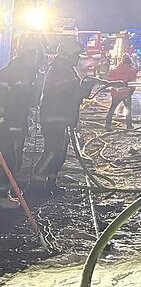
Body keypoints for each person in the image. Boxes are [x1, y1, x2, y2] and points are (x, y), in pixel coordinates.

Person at [29, 40, 125, 195]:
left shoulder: (66, 69)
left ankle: (51, 183)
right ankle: (35, 186)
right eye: (75, 55)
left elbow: (74, 92)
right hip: (54, 119)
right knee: (52, 152)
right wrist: (83, 88)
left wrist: (97, 85)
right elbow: (66, 94)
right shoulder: (59, 70)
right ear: (67, 54)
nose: (77, 59)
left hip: (63, 119)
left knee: (60, 154)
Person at [0, 42, 41, 209]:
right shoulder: (9, 74)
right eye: (32, 55)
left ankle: (6, 192)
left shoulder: (27, 73)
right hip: (7, 125)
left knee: (14, 160)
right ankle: (1, 196)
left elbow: (25, 99)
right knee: (7, 159)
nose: (35, 58)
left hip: (17, 122)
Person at [104, 54, 139, 131]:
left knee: (112, 108)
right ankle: (129, 125)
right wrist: (131, 91)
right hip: (126, 93)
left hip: (116, 93)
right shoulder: (132, 70)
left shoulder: (115, 69)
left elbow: (109, 79)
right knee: (128, 109)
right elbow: (133, 83)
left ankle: (107, 124)